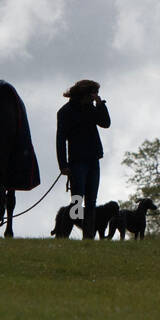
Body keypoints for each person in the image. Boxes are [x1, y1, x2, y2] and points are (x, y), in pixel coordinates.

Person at [56, 79, 110, 239]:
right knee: (77, 201)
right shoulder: (65, 112)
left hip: (93, 159)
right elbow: (60, 140)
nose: (96, 97)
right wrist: (63, 165)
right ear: (86, 94)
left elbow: (106, 123)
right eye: (94, 94)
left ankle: (88, 237)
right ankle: (65, 232)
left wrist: (100, 105)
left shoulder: (91, 109)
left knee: (91, 202)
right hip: (77, 162)